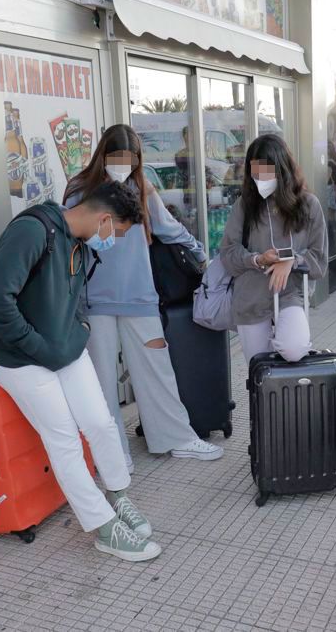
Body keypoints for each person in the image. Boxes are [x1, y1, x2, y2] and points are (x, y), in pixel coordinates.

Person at [0, 180, 161, 562]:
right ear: (105, 219)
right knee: (63, 437)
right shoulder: (32, 231)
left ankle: (117, 496)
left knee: (100, 422)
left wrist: (80, 330)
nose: (115, 239)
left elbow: (76, 298)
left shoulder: (80, 241)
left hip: (65, 349)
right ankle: (103, 528)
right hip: (20, 357)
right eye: (119, 232)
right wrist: (39, 347)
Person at [63, 125, 223, 471]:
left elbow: (168, 228)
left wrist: (199, 253)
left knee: (157, 369)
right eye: (115, 157)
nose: (121, 164)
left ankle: (176, 438)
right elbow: (69, 236)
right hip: (96, 302)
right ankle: (113, 454)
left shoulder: (141, 188)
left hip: (140, 297)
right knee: (102, 380)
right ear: (102, 155)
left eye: (129, 158)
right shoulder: (80, 190)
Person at [220, 134, 327, 364]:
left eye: (267, 171)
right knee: (260, 372)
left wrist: (292, 260)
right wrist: (257, 259)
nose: (260, 177)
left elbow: (319, 260)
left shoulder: (308, 206)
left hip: (291, 296)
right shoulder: (244, 206)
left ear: (282, 169)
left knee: (294, 348)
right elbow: (228, 253)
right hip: (251, 299)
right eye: (255, 171)